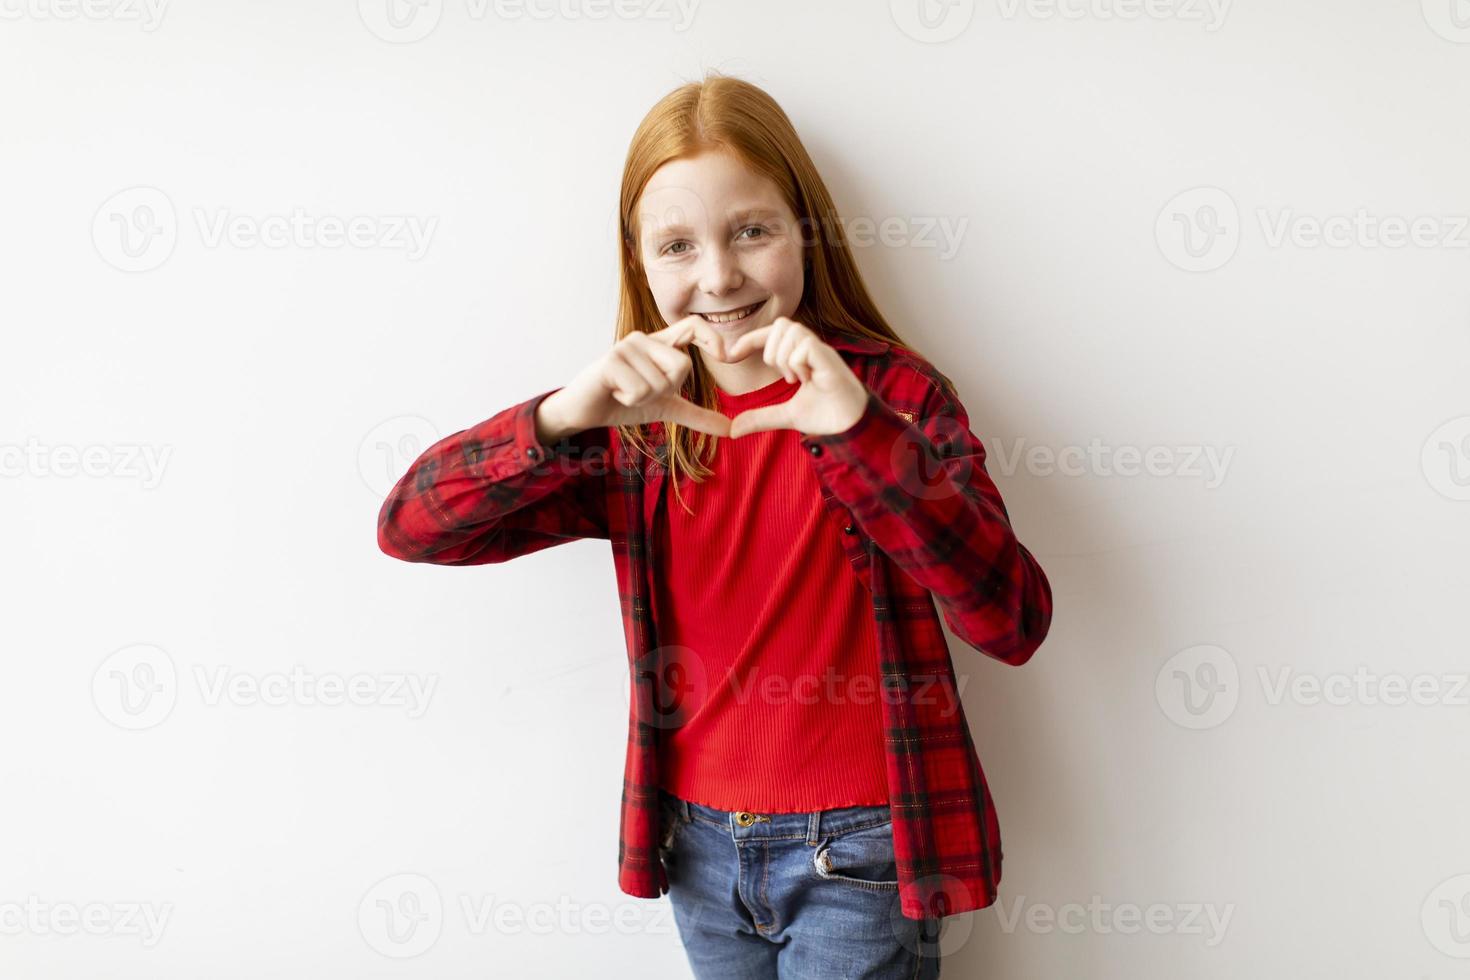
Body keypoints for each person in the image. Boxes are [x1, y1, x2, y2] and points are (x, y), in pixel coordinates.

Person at [377, 72, 1053, 979]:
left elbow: (1010, 620)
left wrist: (862, 437)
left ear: (804, 228)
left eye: (752, 231)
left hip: (859, 848)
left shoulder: (892, 397)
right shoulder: (633, 431)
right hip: (695, 846)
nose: (720, 275)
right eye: (678, 246)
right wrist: (557, 417)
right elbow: (414, 525)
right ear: (639, 263)